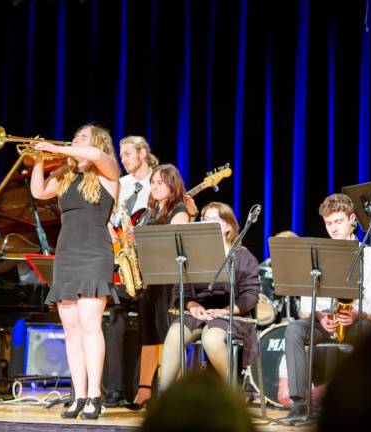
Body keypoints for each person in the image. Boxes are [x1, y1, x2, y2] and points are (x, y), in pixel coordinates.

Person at [31, 124, 120, 420]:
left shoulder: (108, 172)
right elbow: (38, 191)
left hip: (94, 253)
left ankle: (95, 395)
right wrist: (39, 160)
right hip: (66, 254)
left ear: (95, 142)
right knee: (71, 331)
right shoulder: (66, 176)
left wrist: (54, 148)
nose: (75, 141)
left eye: (81, 138)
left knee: (90, 325)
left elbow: (94, 154)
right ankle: (78, 395)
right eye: (75, 138)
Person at [280, 193, 371, 424]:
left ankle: (361, 405)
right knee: (294, 329)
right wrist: (319, 315)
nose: (333, 228)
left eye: (338, 222)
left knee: (369, 333)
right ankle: (300, 405)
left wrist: (357, 313)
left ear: (352, 220)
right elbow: (306, 304)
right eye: (329, 223)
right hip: (324, 321)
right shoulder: (317, 256)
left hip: (356, 322)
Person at [159, 202, 261, 390]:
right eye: (204, 219)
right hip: (198, 314)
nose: (207, 224)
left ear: (229, 226)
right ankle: (163, 394)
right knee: (175, 334)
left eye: (214, 220)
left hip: (232, 316)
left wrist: (223, 311)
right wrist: (193, 306)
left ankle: (231, 390)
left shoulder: (243, 257)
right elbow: (180, 292)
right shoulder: (193, 256)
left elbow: (250, 296)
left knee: (212, 338)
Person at [121, 164, 191, 411]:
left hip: (168, 282)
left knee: (167, 336)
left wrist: (140, 237)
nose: (155, 187)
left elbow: (175, 245)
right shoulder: (150, 212)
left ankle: (175, 393)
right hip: (149, 281)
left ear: (173, 185)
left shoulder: (180, 211)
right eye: (153, 183)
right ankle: (144, 391)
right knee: (148, 336)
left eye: (160, 182)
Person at [103, 135, 157, 408]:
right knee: (114, 322)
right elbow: (109, 219)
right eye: (121, 155)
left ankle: (143, 387)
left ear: (143, 153)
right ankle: (113, 389)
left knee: (150, 324)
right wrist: (113, 236)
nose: (122, 160)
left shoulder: (158, 182)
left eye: (127, 154)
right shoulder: (120, 185)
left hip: (149, 263)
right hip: (121, 262)